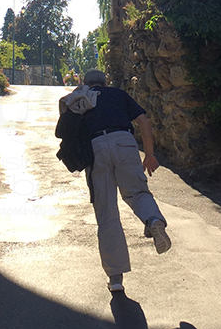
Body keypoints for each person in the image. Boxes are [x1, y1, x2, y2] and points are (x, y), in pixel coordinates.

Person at [72, 69, 171, 293]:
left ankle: (116, 278)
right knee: (137, 193)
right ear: (105, 83)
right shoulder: (117, 94)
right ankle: (153, 219)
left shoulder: (80, 97)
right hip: (125, 141)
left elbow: (68, 132)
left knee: (107, 213)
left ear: (85, 83)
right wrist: (150, 154)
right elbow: (144, 122)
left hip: (95, 147)